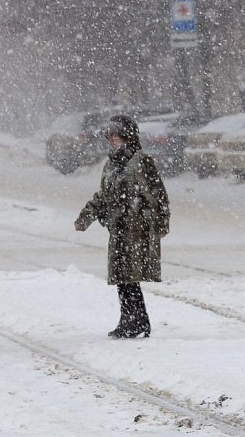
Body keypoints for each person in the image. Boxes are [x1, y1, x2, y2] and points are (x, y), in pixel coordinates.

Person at [74, 114, 170, 339]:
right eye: (110, 136)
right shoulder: (110, 164)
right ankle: (132, 319)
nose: (112, 140)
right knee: (122, 277)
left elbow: (158, 193)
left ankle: (136, 320)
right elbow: (104, 195)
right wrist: (86, 216)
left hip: (137, 227)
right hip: (118, 227)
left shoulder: (141, 161)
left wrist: (161, 222)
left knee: (129, 275)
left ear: (128, 135)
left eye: (116, 135)